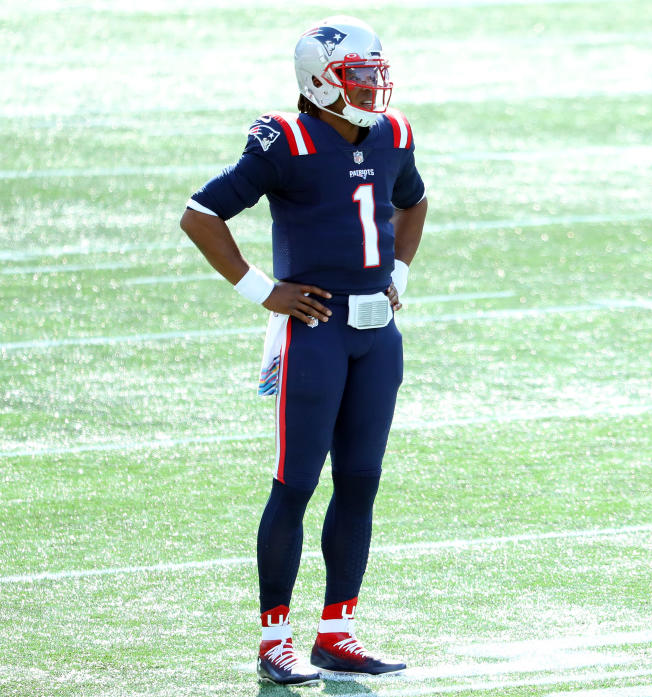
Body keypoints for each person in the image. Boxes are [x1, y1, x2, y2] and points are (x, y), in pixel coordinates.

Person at [179, 15, 427, 686]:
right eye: (359, 76)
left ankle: (337, 630)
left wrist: (398, 275)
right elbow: (201, 214)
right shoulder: (283, 139)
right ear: (320, 81)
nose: (373, 87)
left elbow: (415, 200)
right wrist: (264, 290)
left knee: (361, 482)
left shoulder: (394, 134)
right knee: (295, 483)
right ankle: (274, 639)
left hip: (377, 337)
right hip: (314, 332)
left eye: (376, 74)